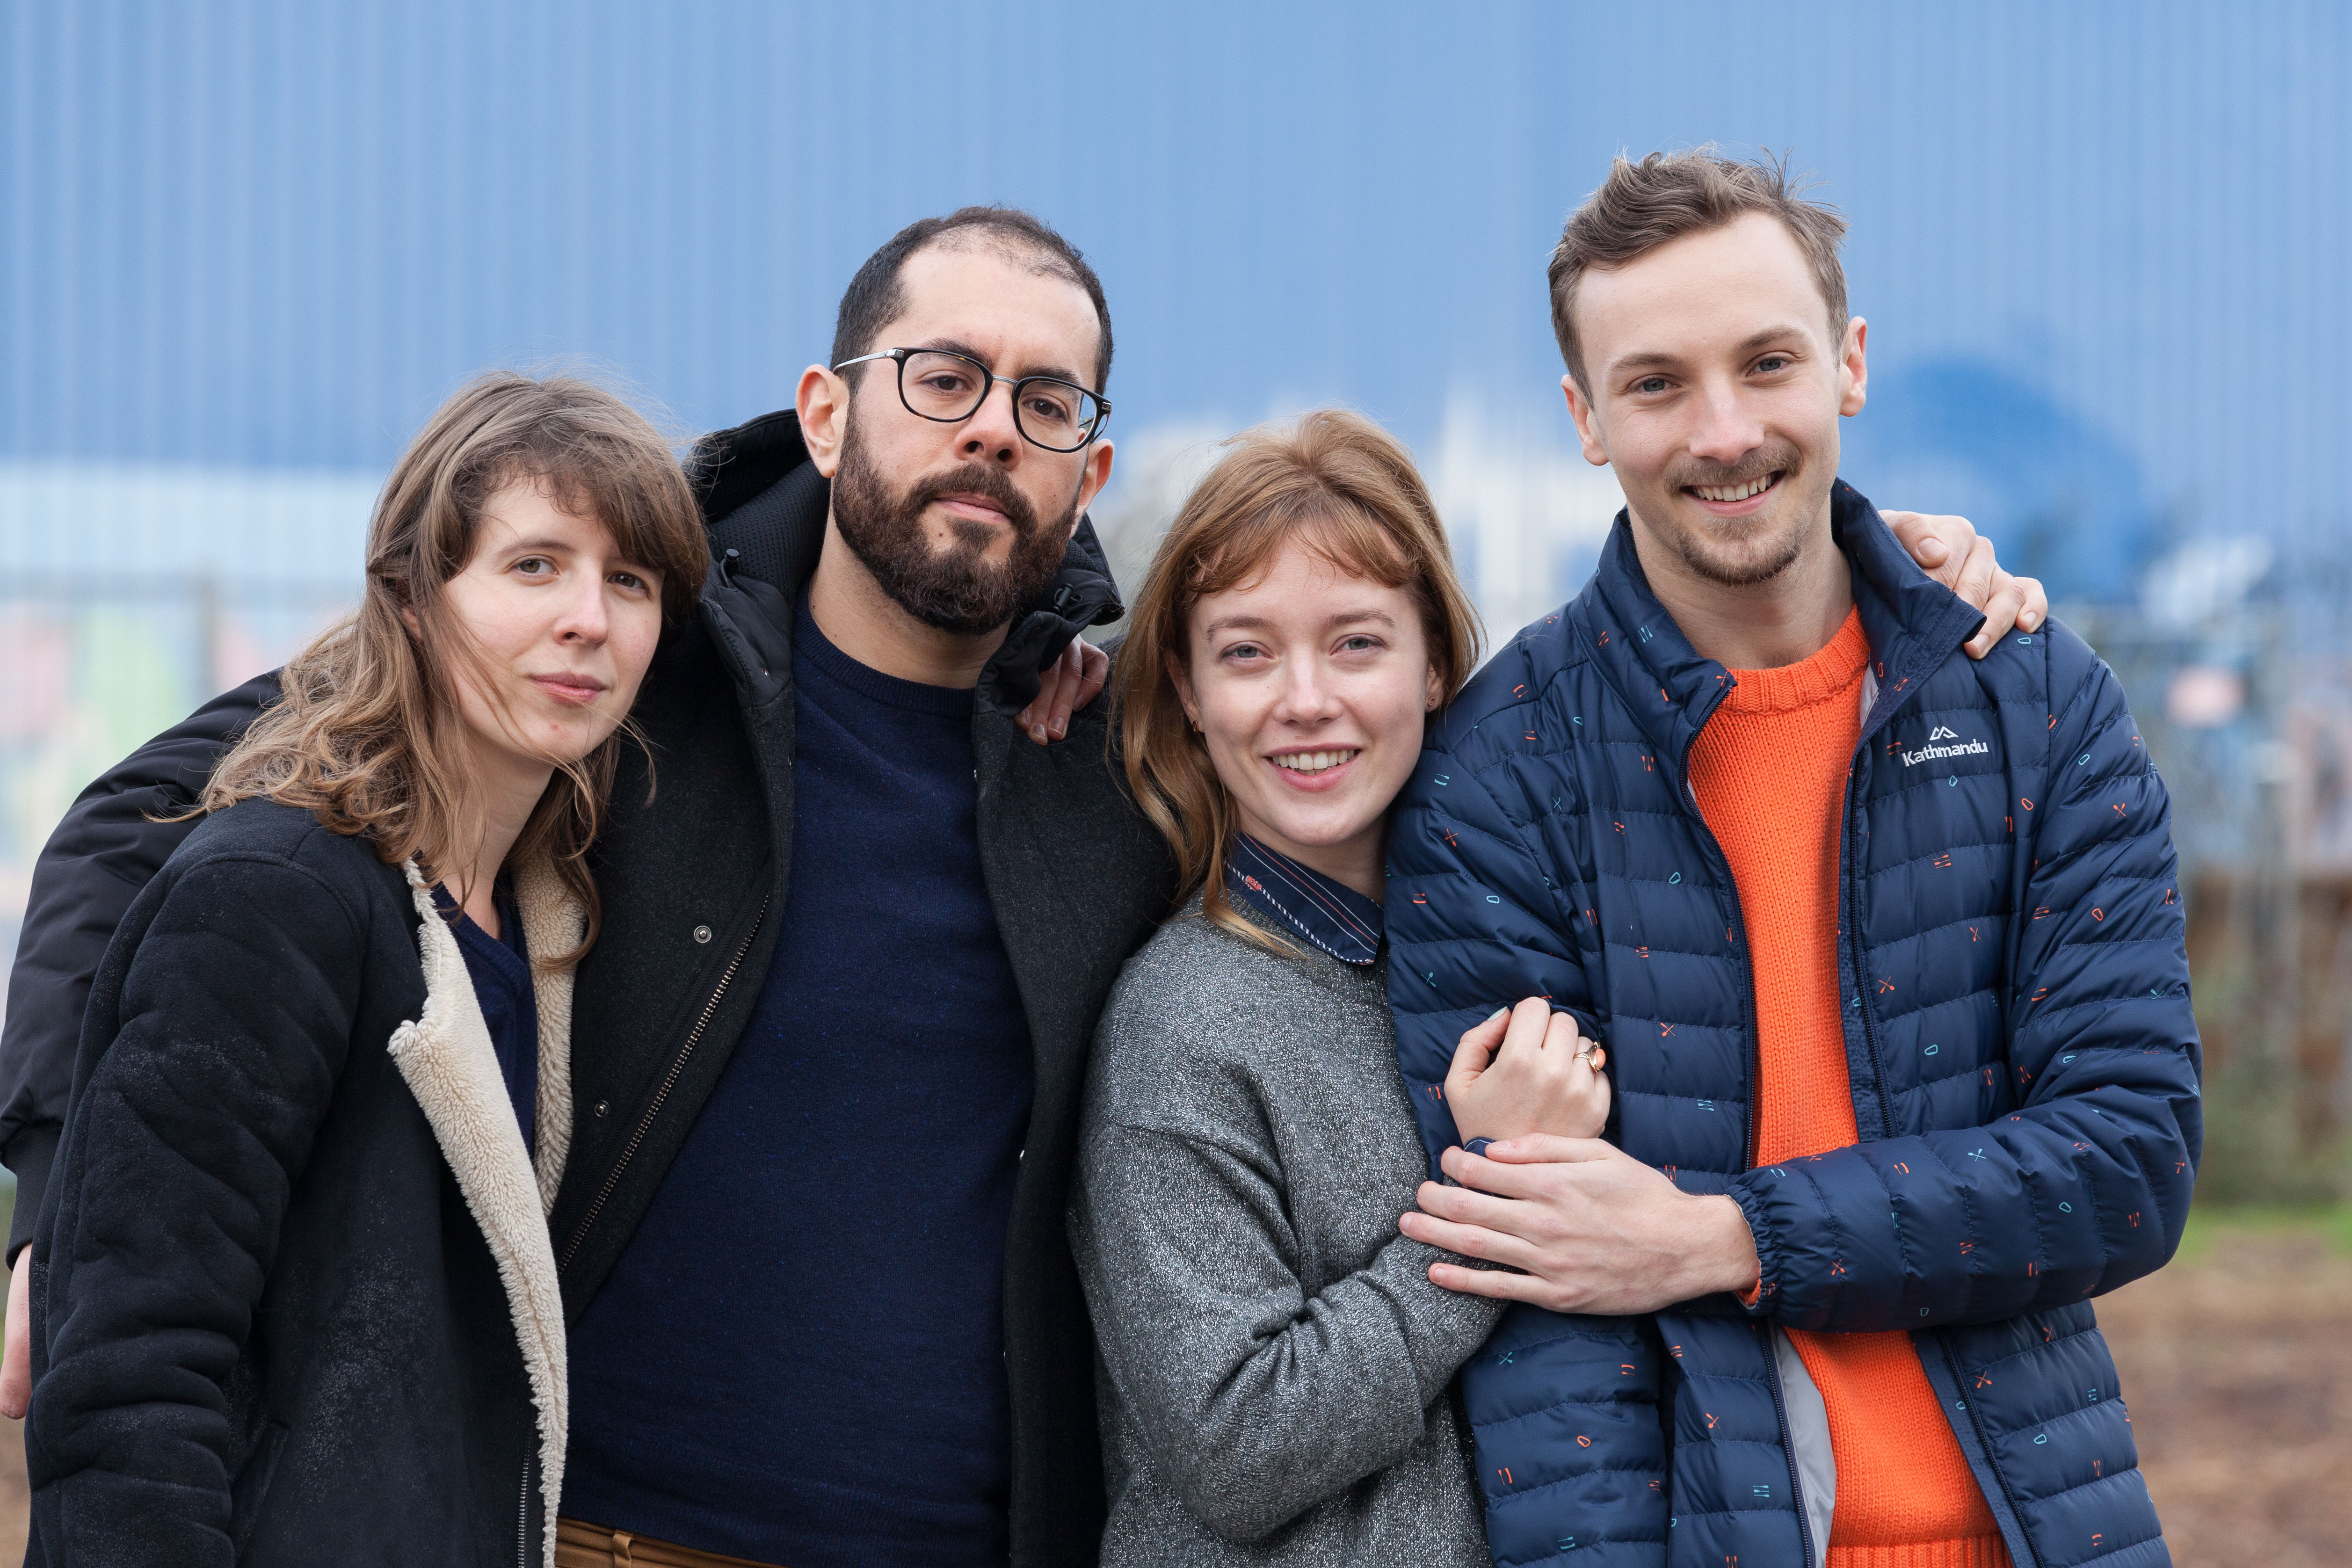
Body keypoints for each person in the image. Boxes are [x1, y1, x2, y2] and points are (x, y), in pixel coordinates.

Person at [0, 201, 2042, 1567]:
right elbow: (152, 824)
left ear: (1089, 462)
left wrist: (1855, 574)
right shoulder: (631, 662)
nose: (990, 432)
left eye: (1046, 403)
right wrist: (62, 1197)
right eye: (943, 379)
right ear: (834, 406)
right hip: (613, 1533)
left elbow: (1439, 710)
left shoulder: (1119, 743)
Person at [1387, 151, 2200, 1568]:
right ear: (1583, 418)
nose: (1722, 431)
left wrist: (1726, 1236)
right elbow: (1541, 1324)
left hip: (2040, 1531)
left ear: (1849, 364)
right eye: (1653, 385)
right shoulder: (1496, 773)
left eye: (1766, 362)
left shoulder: (2031, 699)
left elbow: (2127, 1163)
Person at [22, 372, 711, 1567]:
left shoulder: (535, 923)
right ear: (410, 595)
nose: (590, 618)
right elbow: (133, 1368)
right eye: (535, 565)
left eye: (631, 580)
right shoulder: (273, 894)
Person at [1072, 410, 1627, 1564]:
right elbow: (1237, 1439)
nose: (1305, 698)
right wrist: (1496, 1195)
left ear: (1436, 664)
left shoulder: (1533, 960)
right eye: (1247, 651)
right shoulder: (1184, 1022)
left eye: (1357, 643)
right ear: (1184, 687)